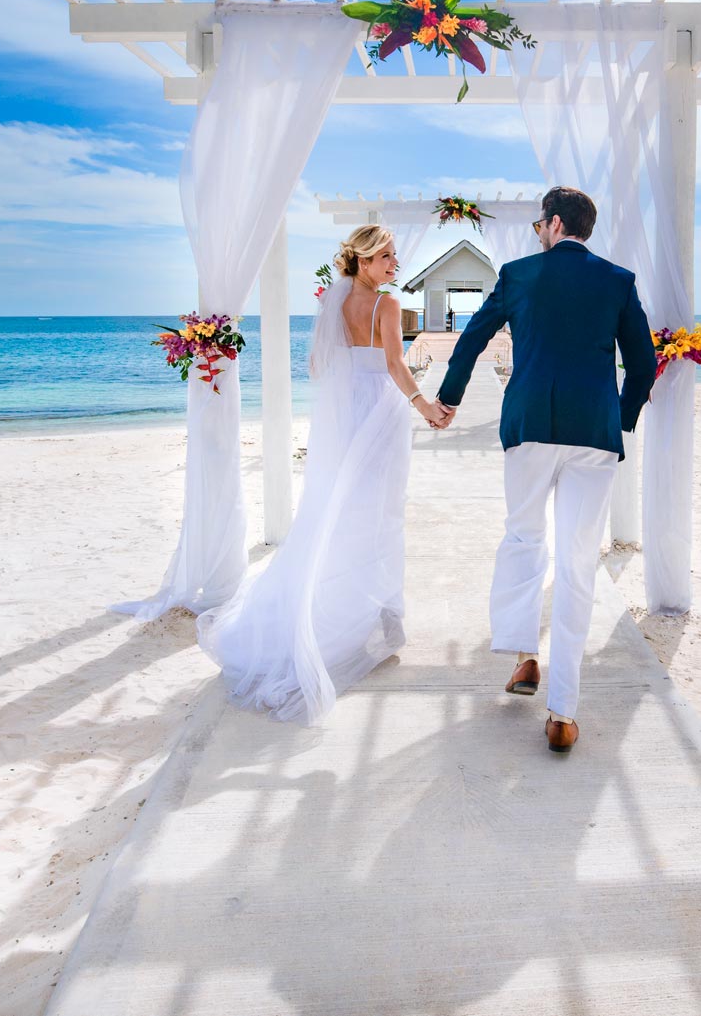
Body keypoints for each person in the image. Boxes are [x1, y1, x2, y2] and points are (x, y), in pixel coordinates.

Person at [431, 187, 656, 753]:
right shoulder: (618, 280)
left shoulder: (518, 274)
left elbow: (474, 337)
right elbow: (644, 364)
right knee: (579, 561)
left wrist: (451, 397)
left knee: (523, 537)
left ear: (555, 223)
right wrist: (619, 418)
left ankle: (524, 656)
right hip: (593, 434)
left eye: (539, 223)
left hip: (530, 424)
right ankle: (562, 712)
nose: (537, 231)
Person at [195, 225, 450, 724]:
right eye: (387, 257)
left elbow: (318, 363)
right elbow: (396, 364)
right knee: (379, 513)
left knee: (336, 510)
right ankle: (375, 620)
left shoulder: (332, 301)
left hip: (343, 414)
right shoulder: (388, 306)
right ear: (364, 259)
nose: (395, 264)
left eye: (395, 256)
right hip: (380, 409)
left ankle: (361, 611)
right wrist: (422, 404)